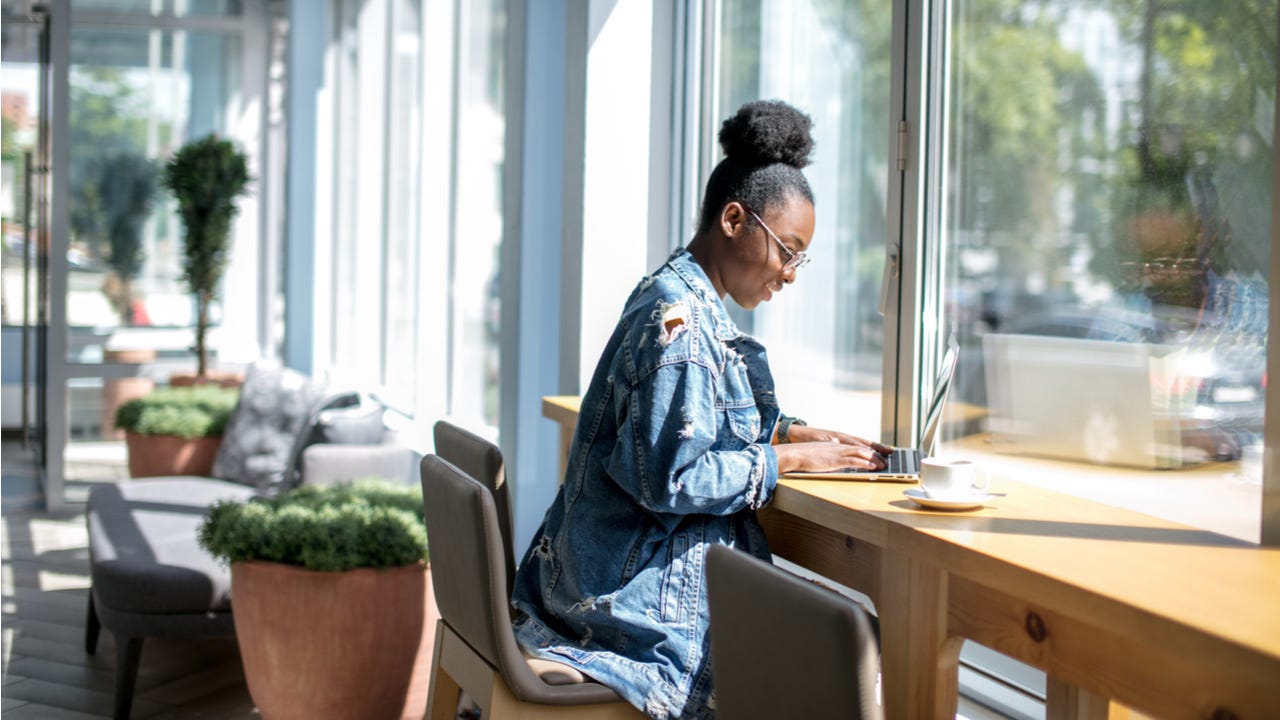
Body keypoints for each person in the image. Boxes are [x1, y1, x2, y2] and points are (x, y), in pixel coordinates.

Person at [510, 100, 891, 720]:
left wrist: (791, 431)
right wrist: (789, 459)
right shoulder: (683, 330)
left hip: (584, 583)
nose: (791, 275)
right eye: (787, 251)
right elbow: (673, 476)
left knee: (843, 626)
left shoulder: (674, 294)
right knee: (857, 638)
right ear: (735, 219)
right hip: (624, 611)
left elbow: (697, 419)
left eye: (801, 258)